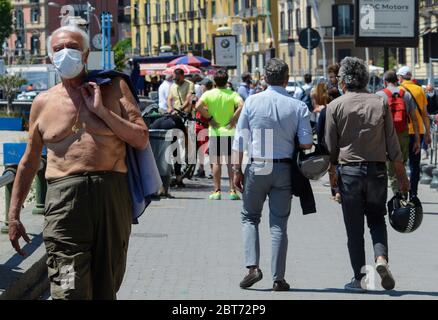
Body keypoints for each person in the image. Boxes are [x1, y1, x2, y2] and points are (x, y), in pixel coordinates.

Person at [8, 25, 149, 299]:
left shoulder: (114, 89)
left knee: (106, 287)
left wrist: (102, 112)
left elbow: (141, 138)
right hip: (64, 204)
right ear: (50, 57)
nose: (65, 53)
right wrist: (13, 216)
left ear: (86, 54)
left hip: (110, 196)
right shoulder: (43, 102)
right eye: (58, 49)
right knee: (68, 287)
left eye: (71, 47)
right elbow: (28, 162)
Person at [325, 57, 409, 293]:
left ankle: (360, 278)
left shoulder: (336, 106)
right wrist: (402, 177)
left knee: (354, 227)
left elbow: (330, 147)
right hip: (377, 171)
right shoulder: (379, 103)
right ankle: (381, 259)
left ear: (344, 81)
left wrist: (333, 179)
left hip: (349, 172)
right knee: (376, 218)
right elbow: (392, 143)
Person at [232, 58, 313, 291]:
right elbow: (307, 143)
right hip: (284, 169)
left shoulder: (251, 102)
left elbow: (240, 140)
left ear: (265, 78)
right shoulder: (298, 106)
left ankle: (252, 268)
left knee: (249, 217)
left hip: (257, 166)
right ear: (287, 79)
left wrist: (237, 170)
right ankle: (279, 279)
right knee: (278, 225)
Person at [196, 69, 244, 200]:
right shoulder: (232, 94)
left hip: (215, 131)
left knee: (216, 162)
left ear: (214, 82)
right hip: (229, 132)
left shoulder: (209, 94)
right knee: (230, 163)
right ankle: (232, 191)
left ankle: (216, 191)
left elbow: (198, 106)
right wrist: (233, 119)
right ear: (226, 81)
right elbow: (242, 105)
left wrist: (210, 118)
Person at [376, 71, 420, 196]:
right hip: (403, 134)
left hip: (386, 135)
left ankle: (397, 194)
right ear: (397, 80)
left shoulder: (379, 95)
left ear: (385, 81)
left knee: (390, 167)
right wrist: (417, 140)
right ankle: (404, 192)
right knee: (402, 164)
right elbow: (414, 119)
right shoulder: (406, 95)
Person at [397, 66, 432, 198]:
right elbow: (425, 114)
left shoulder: (399, 90)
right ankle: (414, 193)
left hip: (402, 131)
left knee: (400, 162)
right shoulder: (419, 90)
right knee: (414, 164)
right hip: (418, 132)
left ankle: (402, 191)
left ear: (400, 77)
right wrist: (428, 133)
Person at [313, 81, 341, 203]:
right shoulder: (343, 108)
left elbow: (319, 130)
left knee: (332, 169)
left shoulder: (326, 110)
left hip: (329, 145)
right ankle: (341, 189)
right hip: (344, 144)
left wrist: (319, 146)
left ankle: (335, 192)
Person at [194, 77, 214, 178]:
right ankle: (201, 169)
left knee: (208, 150)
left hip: (205, 126)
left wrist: (201, 107)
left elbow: (208, 109)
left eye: (202, 85)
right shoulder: (202, 96)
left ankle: (213, 171)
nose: (200, 87)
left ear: (206, 87)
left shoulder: (210, 96)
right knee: (201, 150)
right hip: (199, 124)